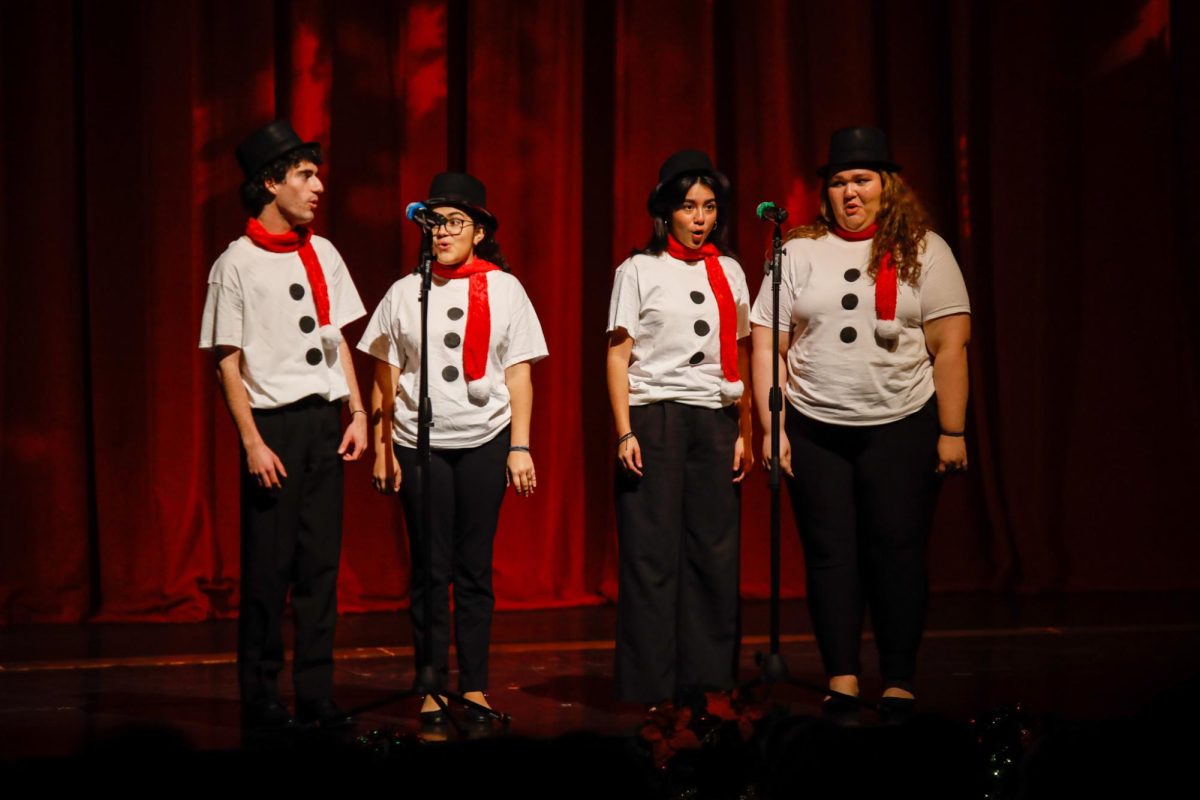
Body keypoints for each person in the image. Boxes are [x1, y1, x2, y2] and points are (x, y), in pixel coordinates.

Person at [749, 127, 970, 718]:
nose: (850, 192)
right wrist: (774, 428)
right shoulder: (796, 251)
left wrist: (952, 430)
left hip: (901, 423)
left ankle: (898, 678)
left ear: (886, 186)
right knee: (829, 554)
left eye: (862, 180)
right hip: (815, 425)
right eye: (840, 181)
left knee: (897, 551)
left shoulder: (925, 248)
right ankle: (841, 676)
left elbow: (950, 343)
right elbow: (768, 341)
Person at [359, 172, 547, 723]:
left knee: (473, 570)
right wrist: (380, 446)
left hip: (485, 440)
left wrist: (520, 446)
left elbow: (519, 375)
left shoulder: (507, 289)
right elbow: (384, 375)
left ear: (480, 232)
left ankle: (477, 686)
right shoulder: (405, 291)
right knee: (428, 568)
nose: (443, 232)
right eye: (436, 221)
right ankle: (431, 684)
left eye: (456, 222)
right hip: (419, 445)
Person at [199, 119, 368, 730]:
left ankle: (316, 690)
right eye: (304, 175)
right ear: (271, 183)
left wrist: (357, 409)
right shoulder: (235, 264)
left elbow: (337, 336)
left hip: (325, 424)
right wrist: (252, 442)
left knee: (321, 567)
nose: (318, 186)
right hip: (273, 428)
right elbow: (227, 360)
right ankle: (261, 694)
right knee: (269, 572)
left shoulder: (322, 251)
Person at [607, 150, 754, 707]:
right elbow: (618, 357)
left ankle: (709, 681)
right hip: (656, 416)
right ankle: (650, 687)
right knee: (651, 552)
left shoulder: (731, 269)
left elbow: (737, 354)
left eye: (709, 207)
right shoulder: (638, 269)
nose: (699, 218)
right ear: (666, 211)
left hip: (715, 418)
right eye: (688, 207)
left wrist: (743, 430)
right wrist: (625, 431)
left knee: (714, 551)